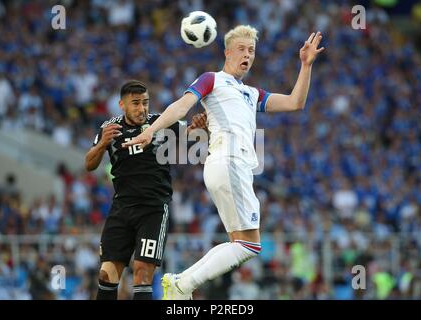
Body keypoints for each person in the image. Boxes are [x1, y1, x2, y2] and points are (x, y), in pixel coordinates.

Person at [123, 25, 324, 300]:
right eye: (241, 49)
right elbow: (182, 106)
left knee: (238, 243)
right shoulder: (212, 79)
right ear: (227, 52)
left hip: (230, 166)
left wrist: (306, 65)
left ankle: (180, 283)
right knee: (249, 246)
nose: (247, 55)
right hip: (228, 161)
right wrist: (150, 131)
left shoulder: (252, 93)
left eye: (251, 50)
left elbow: (294, 102)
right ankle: (182, 284)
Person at [85, 80, 207, 300]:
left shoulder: (160, 123)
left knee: (142, 274)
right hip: (121, 209)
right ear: (122, 105)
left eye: (145, 102)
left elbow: (189, 134)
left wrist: (198, 126)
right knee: (106, 275)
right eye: (136, 103)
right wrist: (102, 143)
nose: (142, 108)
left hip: (152, 210)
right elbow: (89, 164)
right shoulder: (110, 129)